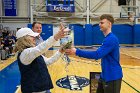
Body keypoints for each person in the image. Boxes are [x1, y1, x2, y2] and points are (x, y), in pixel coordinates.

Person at [65, 14, 123, 93]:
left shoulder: (111, 39)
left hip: (112, 77)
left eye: (102, 23)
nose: (99, 25)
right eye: (99, 23)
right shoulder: (107, 38)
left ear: (109, 24)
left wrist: (76, 51)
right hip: (104, 76)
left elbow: (97, 55)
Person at [14, 24, 66, 93]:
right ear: (25, 39)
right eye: (32, 36)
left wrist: (60, 52)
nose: (34, 38)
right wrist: (56, 37)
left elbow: (48, 61)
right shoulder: (25, 54)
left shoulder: (31, 52)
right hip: (34, 90)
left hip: (43, 88)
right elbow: (41, 48)